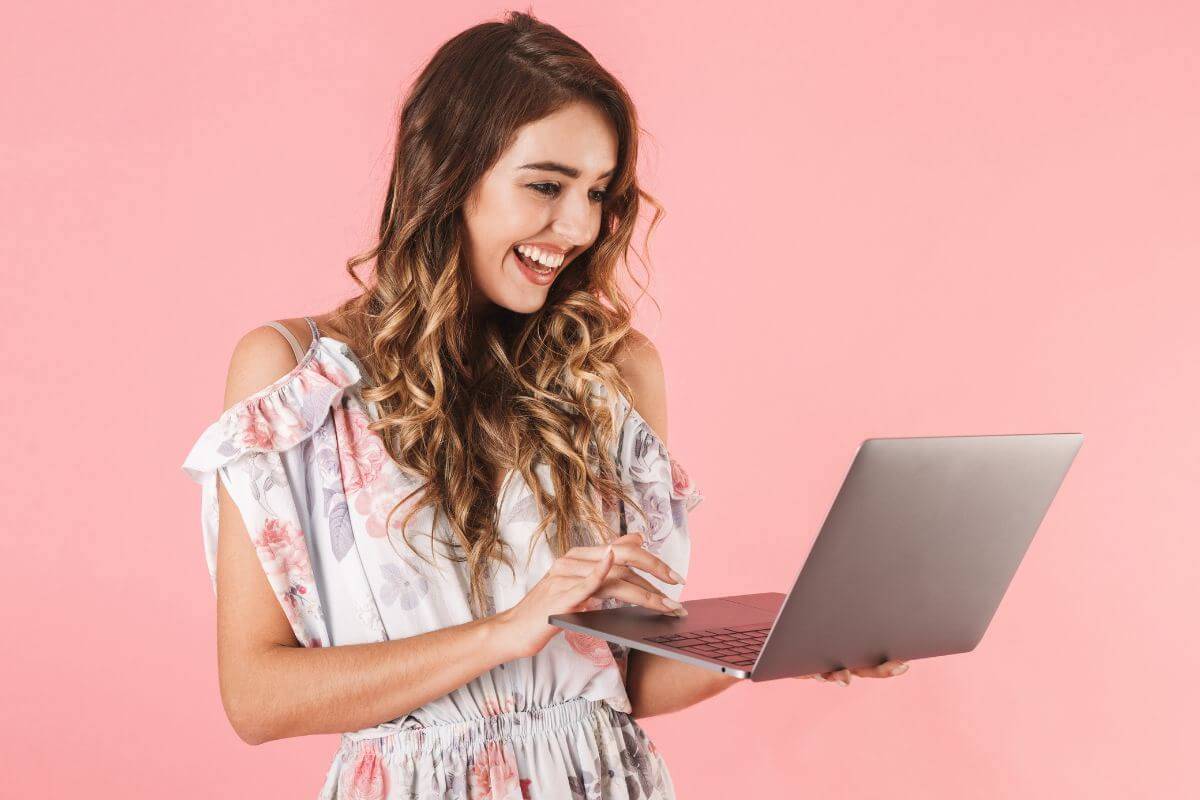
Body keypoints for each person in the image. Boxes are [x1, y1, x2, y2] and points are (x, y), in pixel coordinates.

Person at [181, 10, 908, 799]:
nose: (576, 226)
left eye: (597, 192)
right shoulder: (298, 379)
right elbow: (255, 699)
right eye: (545, 185)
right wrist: (505, 633)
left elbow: (619, 684)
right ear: (449, 173)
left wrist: (783, 641)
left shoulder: (615, 373)